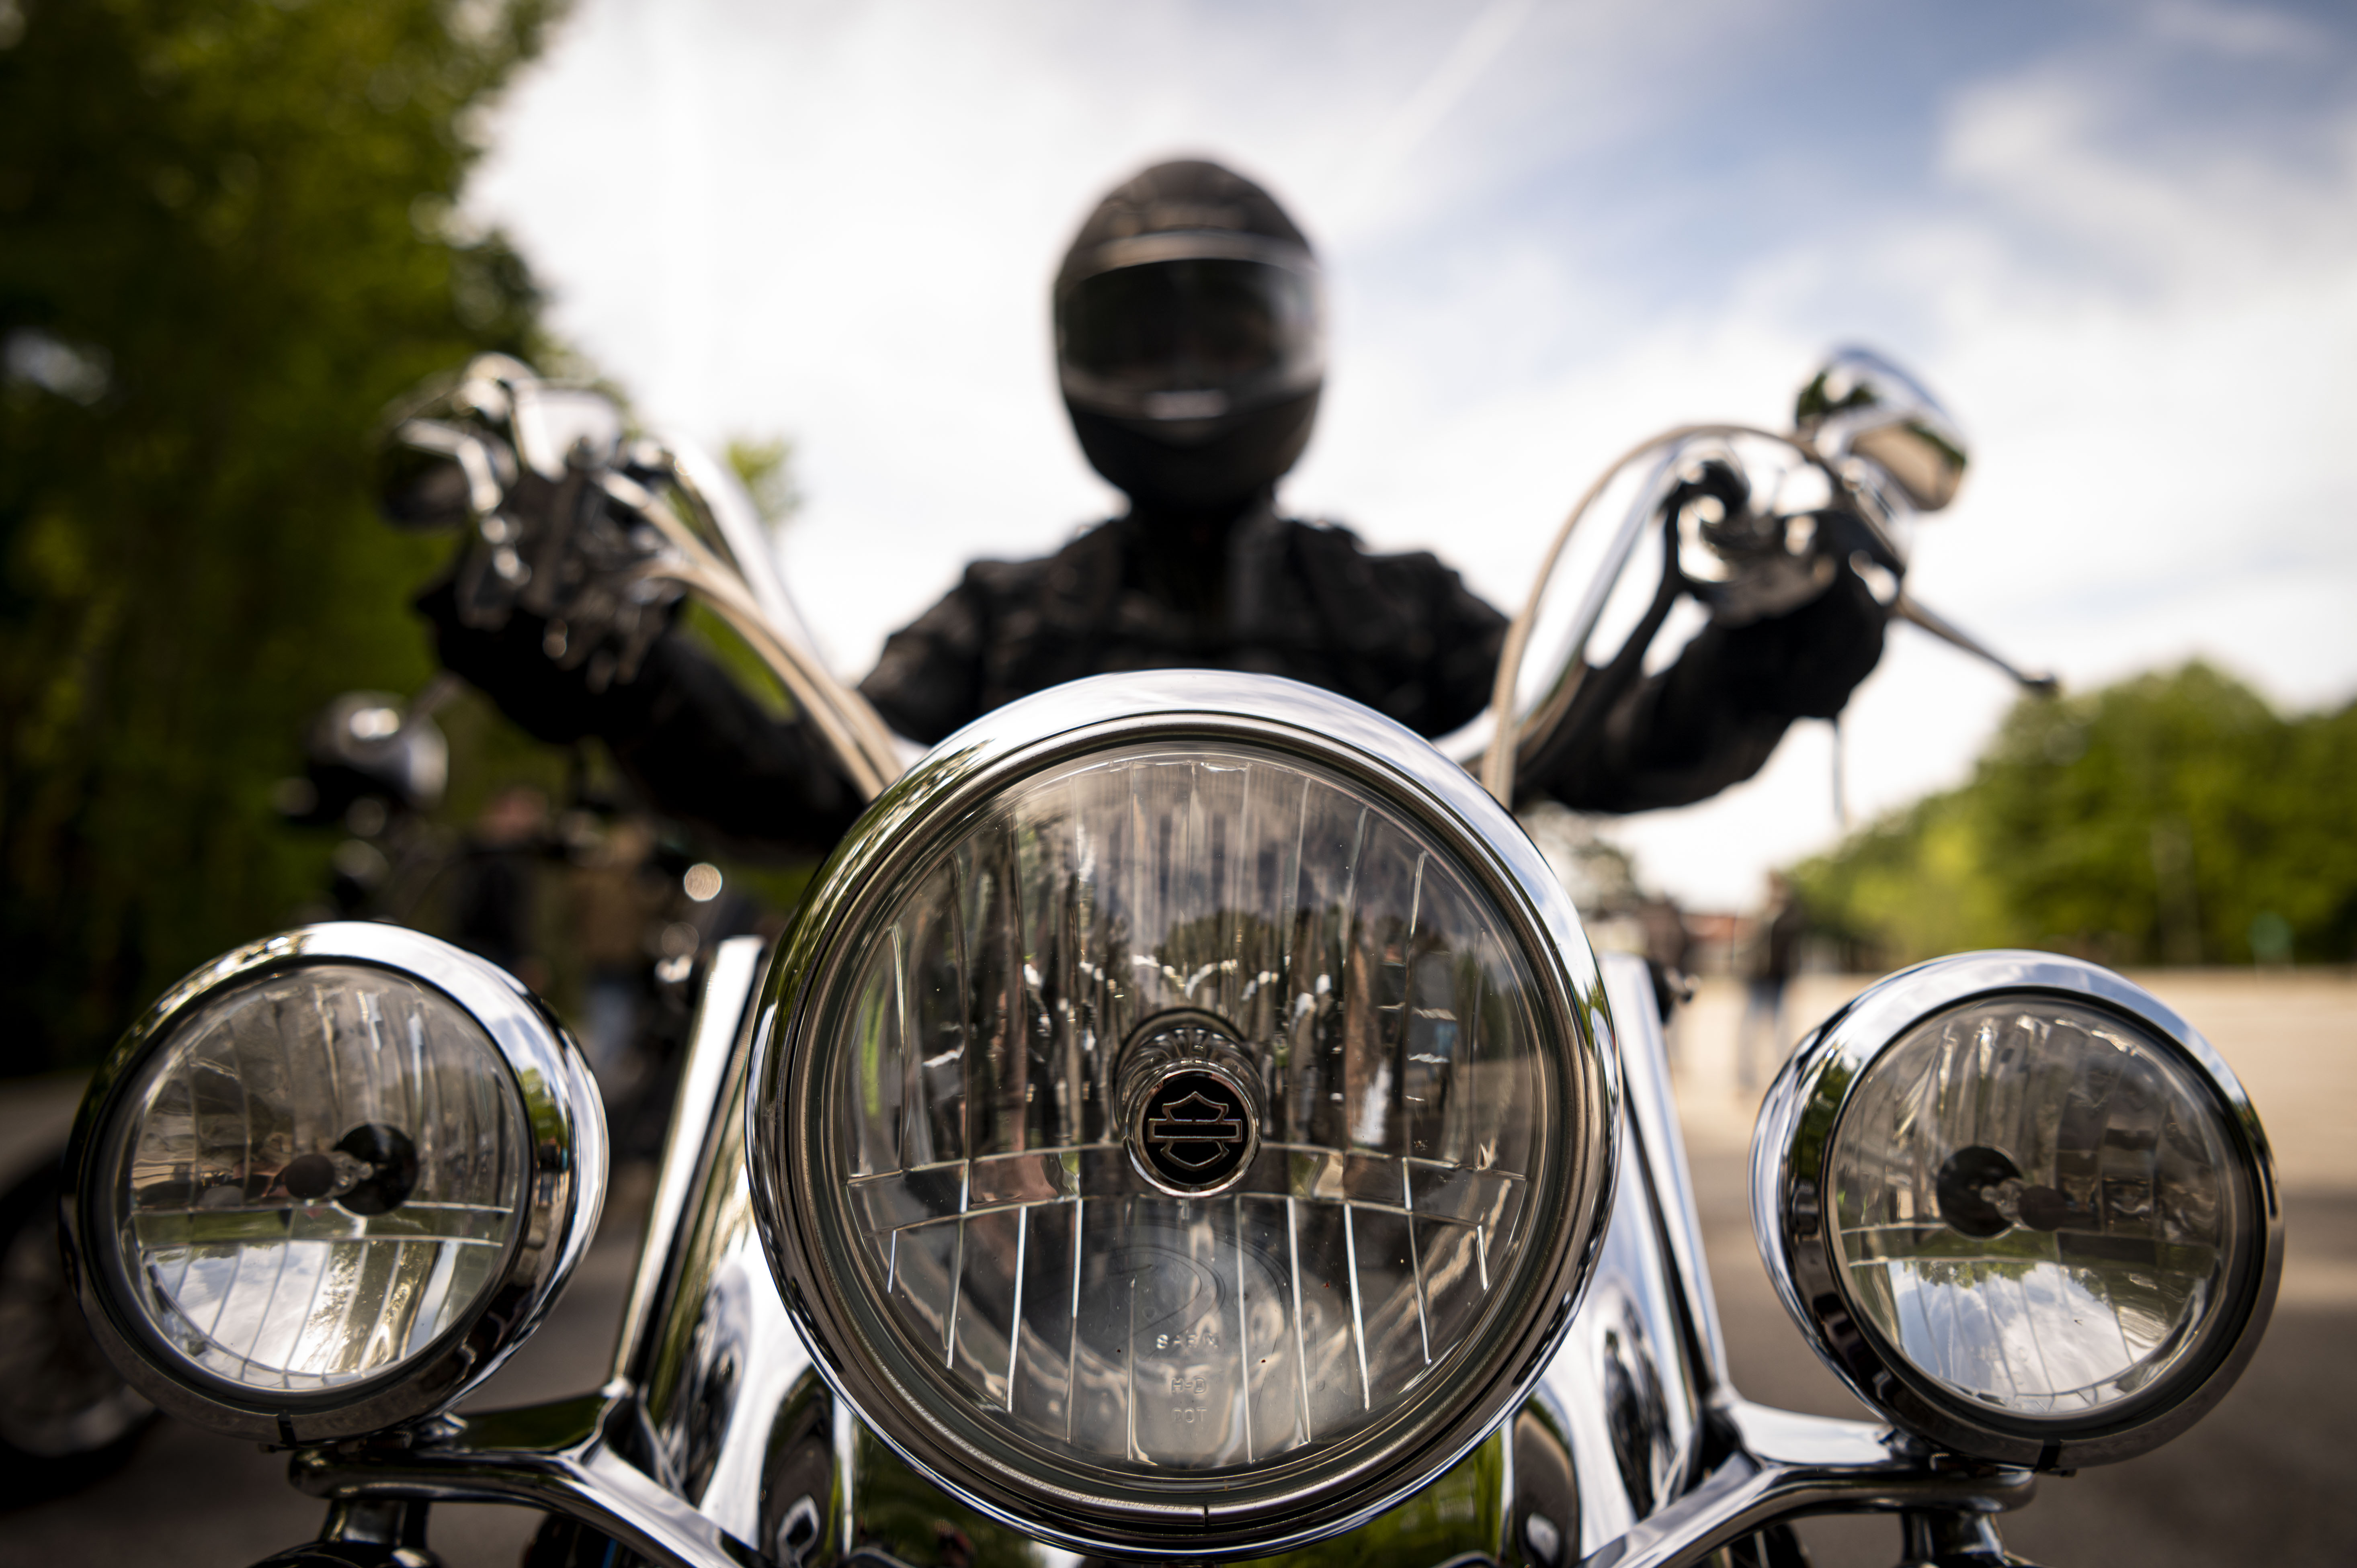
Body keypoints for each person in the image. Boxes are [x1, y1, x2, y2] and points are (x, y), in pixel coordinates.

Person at [418, 160, 1888, 857]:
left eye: (1226, 336)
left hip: (1395, 1114)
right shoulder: (1006, 610)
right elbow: (815, 774)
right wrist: (622, 654)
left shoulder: (1401, 603)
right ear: (1082, 360)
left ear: (1297, 346)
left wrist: (1768, 641)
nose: (1188, 373)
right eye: (1149, 338)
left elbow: (1595, 738)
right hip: (1010, 1123)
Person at [1734, 872, 1806, 1092]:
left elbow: (1793, 946)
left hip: (1778, 979)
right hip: (1756, 979)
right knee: (1748, 1030)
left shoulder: (1789, 915)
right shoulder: (1757, 912)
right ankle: (1745, 1079)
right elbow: (1746, 943)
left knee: (1781, 1030)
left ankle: (1785, 1078)